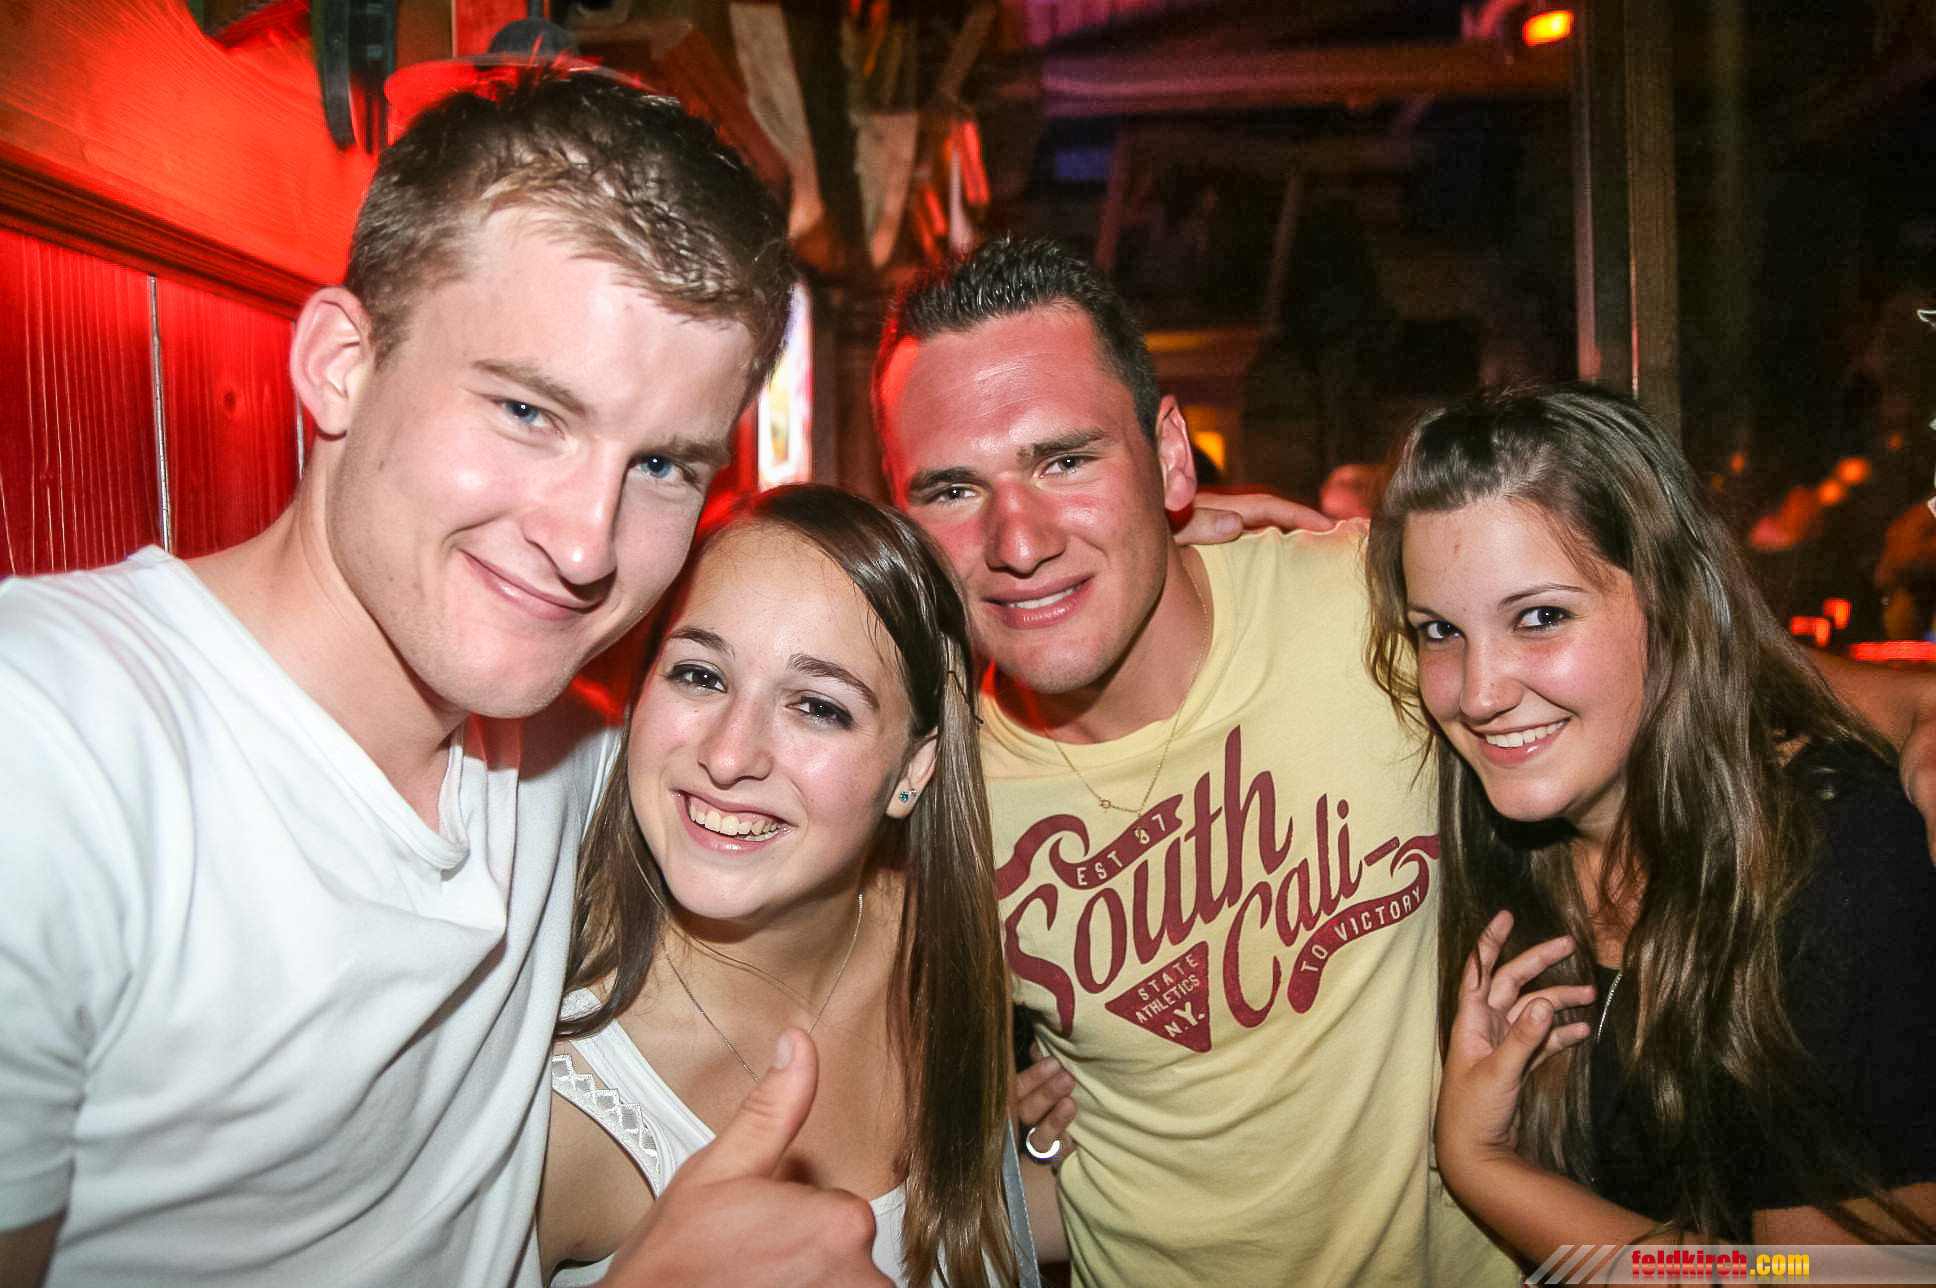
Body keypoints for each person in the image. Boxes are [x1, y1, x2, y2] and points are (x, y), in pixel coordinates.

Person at [0, 70, 882, 1287]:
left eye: (662, 466)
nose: (585, 542)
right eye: (528, 411)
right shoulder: (49, 748)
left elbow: (884, 814)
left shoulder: (587, 764)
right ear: (340, 365)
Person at [871, 235, 1519, 1286]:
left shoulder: (1374, 607)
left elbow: (1650, 696)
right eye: (951, 489)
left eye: (1065, 461)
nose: (1017, 541)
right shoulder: (923, 790)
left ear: (1170, 456)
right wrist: (1008, 1144)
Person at [1363, 385, 1936, 1262]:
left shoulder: (1834, 864)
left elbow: (1816, 1279)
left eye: (1541, 617)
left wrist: (1485, 1169)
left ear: (1671, 606)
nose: (1478, 694)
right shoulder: (1508, 830)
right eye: (1440, 631)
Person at [537, 485, 1043, 1286]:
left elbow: (966, 1228)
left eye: (817, 707)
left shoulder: (932, 943)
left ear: (914, 770)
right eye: (700, 675)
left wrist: (1068, 1153)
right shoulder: (561, 1116)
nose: (729, 755)